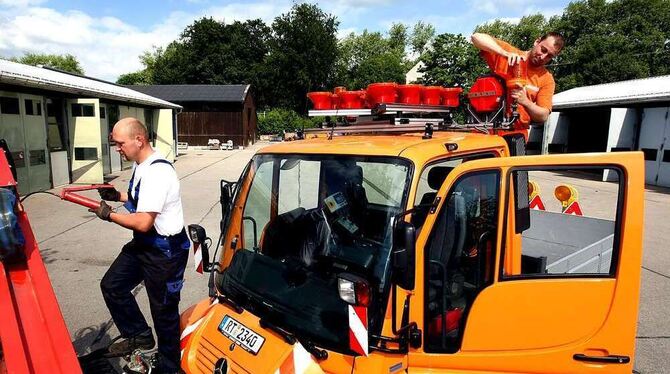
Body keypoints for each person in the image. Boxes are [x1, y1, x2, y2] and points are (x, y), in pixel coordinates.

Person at [89, 117, 189, 374]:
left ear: (139, 140)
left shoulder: (158, 171)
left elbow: (143, 221)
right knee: (113, 285)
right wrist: (119, 196)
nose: (117, 148)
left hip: (165, 251)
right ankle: (138, 335)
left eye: (120, 143)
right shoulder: (141, 165)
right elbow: (140, 199)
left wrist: (109, 214)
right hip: (145, 245)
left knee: (164, 314)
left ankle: (170, 368)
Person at [471, 32, 564, 127]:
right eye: (543, 50)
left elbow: (543, 116)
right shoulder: (509, 54)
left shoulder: (547, 79)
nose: (543, 57)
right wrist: (504, 53)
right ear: (537, 42)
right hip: (486, 126)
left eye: (549, 56)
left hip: (516, 132)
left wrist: (526, 102)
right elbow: (476, 37)